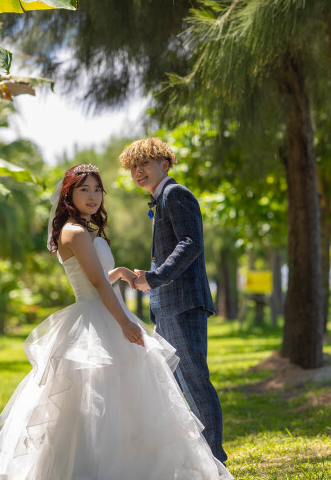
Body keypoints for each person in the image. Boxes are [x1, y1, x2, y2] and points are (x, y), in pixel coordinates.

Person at [0, 163, 231, 480]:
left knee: (123, 398)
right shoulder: (75, 232)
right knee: (99, 399)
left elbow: (98, 277)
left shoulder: (83, 230)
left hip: (103, 310)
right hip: (97, 318)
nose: (93, 196)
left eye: (97, 190)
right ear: (69, 194)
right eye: (84, 190)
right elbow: (96, 285)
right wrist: (125, 322)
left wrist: (120, 273)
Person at [120, 138, 228, 464]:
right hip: (168, 306)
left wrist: (153, 278)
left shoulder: (175, 194)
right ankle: (195, 455)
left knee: (194, 380)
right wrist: (150, 275)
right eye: (134, 167)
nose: (138, 171)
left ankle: (213, 458)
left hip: (183, 305)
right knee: (174, 382)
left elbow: (190, 243)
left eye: (145, 164)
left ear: (164, 165)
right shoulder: (160, 199)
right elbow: (174, 251)